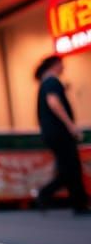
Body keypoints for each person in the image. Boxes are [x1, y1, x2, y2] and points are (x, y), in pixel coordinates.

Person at [33, 56, 89, 215]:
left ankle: (77, 203)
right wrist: (70, 125)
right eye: (61, 65)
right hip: (59, 132)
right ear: (55, 65)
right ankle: (46, 194)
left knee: (68, 168)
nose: (63, 68)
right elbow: (54, 102)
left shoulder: (45, 82)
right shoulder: (52, 82)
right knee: (71, 168)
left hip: (52, 133)